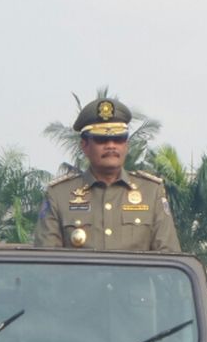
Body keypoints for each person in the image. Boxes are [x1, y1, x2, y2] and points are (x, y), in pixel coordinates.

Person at [34, 98, 180, 252]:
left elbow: (168, 256)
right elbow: (47, 263)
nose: (111, 146)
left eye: (118, 138)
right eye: (101, 139)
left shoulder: (151, 192)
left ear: (126, 144)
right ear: (84, 145)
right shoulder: (59, 195)